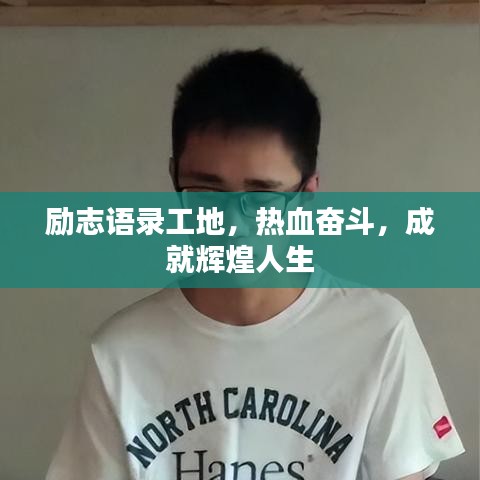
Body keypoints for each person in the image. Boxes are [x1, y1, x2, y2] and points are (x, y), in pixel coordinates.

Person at [45, 48, 465, 480]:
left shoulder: (379, 333)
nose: (232, 224)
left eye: (262, 196)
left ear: (305, 195)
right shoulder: (120, 354)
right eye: (206, 192)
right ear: (175, 180)